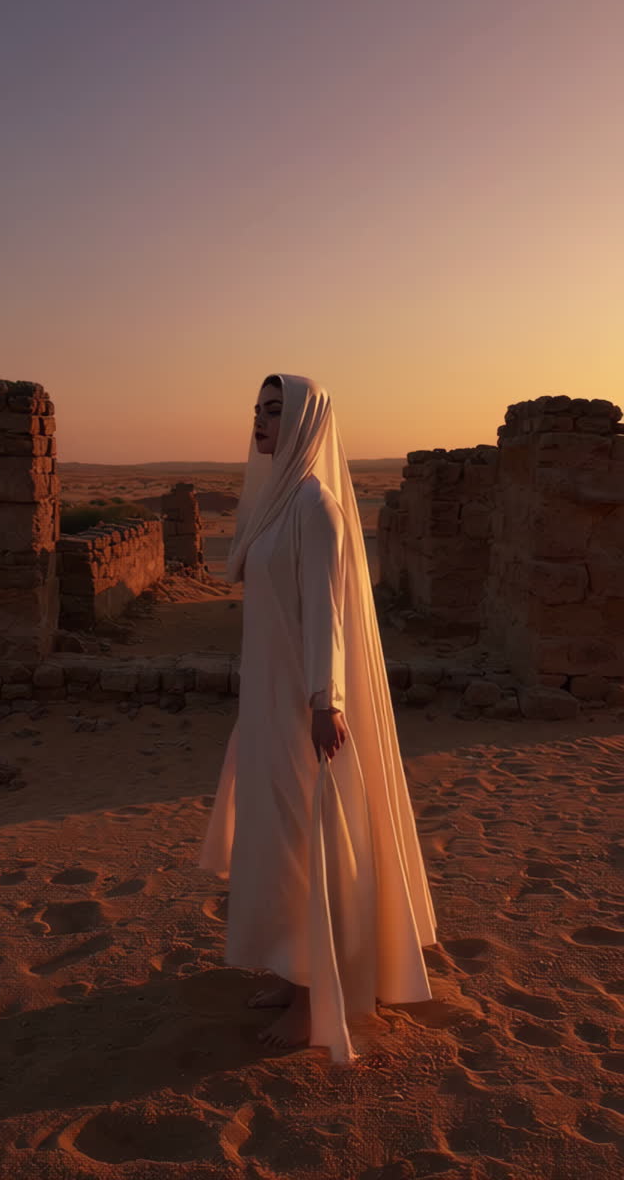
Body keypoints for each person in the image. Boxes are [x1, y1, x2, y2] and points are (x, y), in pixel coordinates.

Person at [198, 374, 437, 1064]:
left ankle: (313, 997)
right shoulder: (275, 504)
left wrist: (325, 703)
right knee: (273, 838)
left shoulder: (317, 507)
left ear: (306, 422)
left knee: (308, 839)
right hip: (267, 702)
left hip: (305, 704)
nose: (260, 422)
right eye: (257, 410)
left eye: (276, 411)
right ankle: (285, 965)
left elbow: (326, 618)